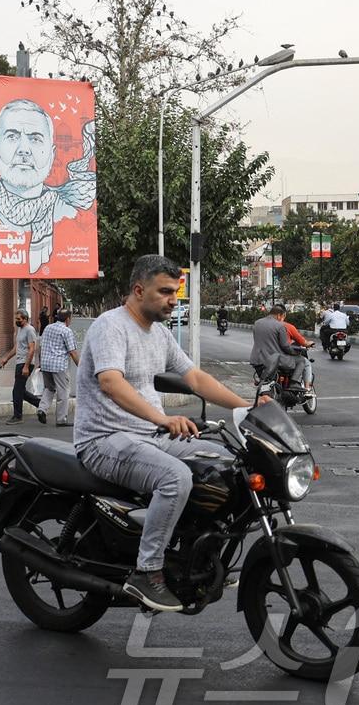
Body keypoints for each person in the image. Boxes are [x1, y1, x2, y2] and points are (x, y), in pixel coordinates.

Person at [74, 254, 258, 612]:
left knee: (228, 464)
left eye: (175, 292)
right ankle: (147, 571)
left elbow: (195, 378)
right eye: (165, 292)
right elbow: (111, 383)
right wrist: (162, 419)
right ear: (139, 290)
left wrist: (247, 408)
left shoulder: (158, 333)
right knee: (175, 478)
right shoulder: (110, 326)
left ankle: (200, 557)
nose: (174, 299)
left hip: (147, 437)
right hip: (104, 440)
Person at [0, 100, 96, 272]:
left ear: (52, 155)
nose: (24, 149)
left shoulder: (75, 219)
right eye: (12, 136)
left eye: (35, 139)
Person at [0, 308, 45, 425]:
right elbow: (16, 347)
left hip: (25, 363)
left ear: (25, 319)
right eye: (16, 319)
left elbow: (32, 349)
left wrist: (26, 366)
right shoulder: (20, 330)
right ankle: (41, 404)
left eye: (19, 319)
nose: (17, 321)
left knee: (17, 391)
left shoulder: (30, 330)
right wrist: (6, 359)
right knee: (21, 391)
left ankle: (18, 416)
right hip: (20, 362)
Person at [251, 304, 308, 390]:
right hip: (274, 361)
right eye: (283, 316)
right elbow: (285, 346)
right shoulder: (280, 326)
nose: (283, 319)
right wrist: (295, 352)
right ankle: (294, 383)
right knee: (301, 360)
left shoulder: (257, 323)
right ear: (279, 315)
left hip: (257, 361)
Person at [38, 309, 79, 427]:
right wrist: (81, 367)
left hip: (45, 364)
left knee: (49, 388)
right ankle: (61, 419)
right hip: (59, 365)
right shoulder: (67, 331)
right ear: (68, 319)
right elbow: (73, 352)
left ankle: (42, 409)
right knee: (63, 391)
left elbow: (41, 346)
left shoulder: (48, 328)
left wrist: (40, 362)